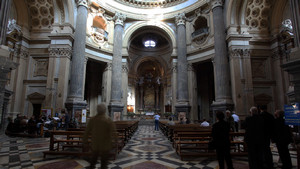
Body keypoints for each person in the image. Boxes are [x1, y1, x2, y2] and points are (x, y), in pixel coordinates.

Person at [83, 103, 116, 169]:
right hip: (105, 145)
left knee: (93, 162)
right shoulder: (108, 120)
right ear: (105, 110)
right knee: (104, 164)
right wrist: (115, 141)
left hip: (95, 144)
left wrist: (85, 141)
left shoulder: (92, 120)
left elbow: (86, 132)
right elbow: (114, 132)